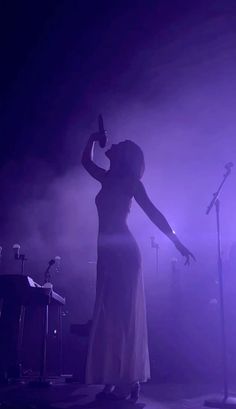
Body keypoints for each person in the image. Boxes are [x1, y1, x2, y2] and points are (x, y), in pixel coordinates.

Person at [81, 131, 195, 402]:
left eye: (119, 145)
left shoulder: (130, 183)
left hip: (124, 254)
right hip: (108, 254)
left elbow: (155, 213)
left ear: (125, 156)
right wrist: (93, 139)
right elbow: (85, 161)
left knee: (122, 316)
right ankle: (112, 377)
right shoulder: (107, 178)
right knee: (108, 315)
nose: (114, 144)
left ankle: (127, 379)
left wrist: (177, 243)